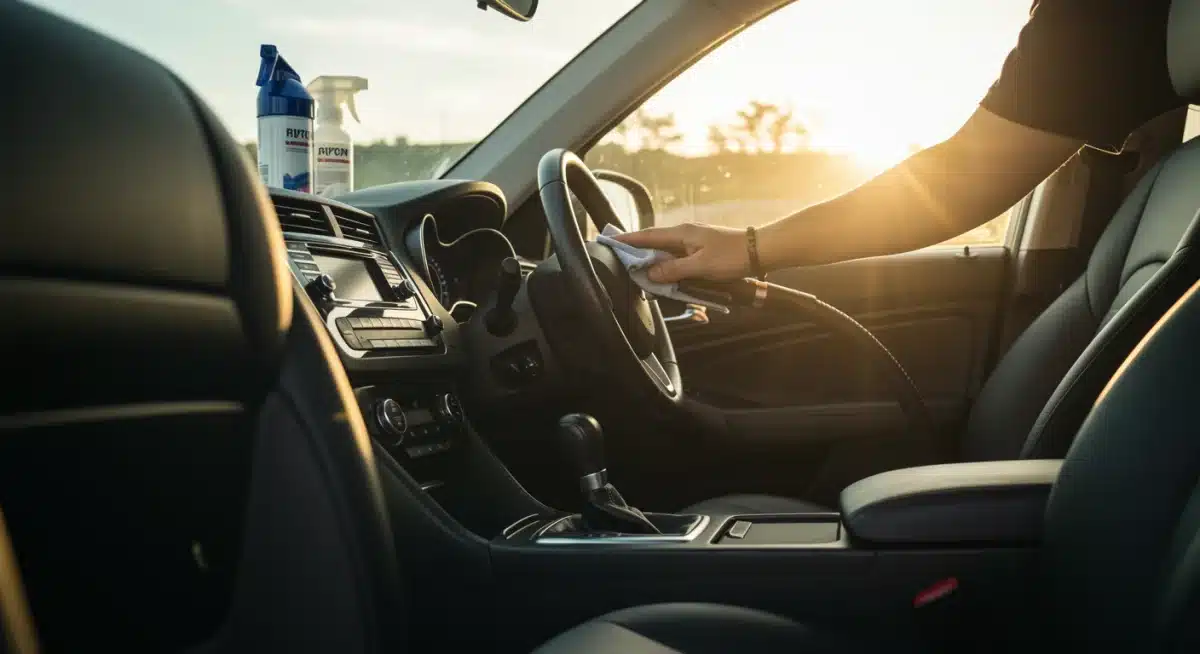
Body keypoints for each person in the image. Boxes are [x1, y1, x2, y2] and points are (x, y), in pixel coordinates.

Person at [614, 0, 1190, 283]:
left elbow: (961, 179)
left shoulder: (1106, 15)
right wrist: (749, 246)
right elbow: (966, 174)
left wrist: (752, 247)